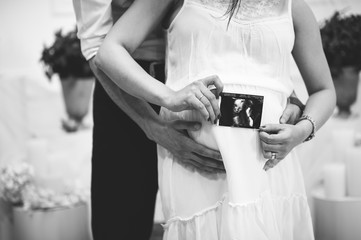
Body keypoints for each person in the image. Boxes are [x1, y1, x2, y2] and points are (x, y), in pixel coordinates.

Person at [72, 0, 305, 239]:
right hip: (127, 82)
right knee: (119, 225)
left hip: (191, 73)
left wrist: (286, 94)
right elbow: (98, 49)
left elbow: (242, 39)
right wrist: (153, 124)